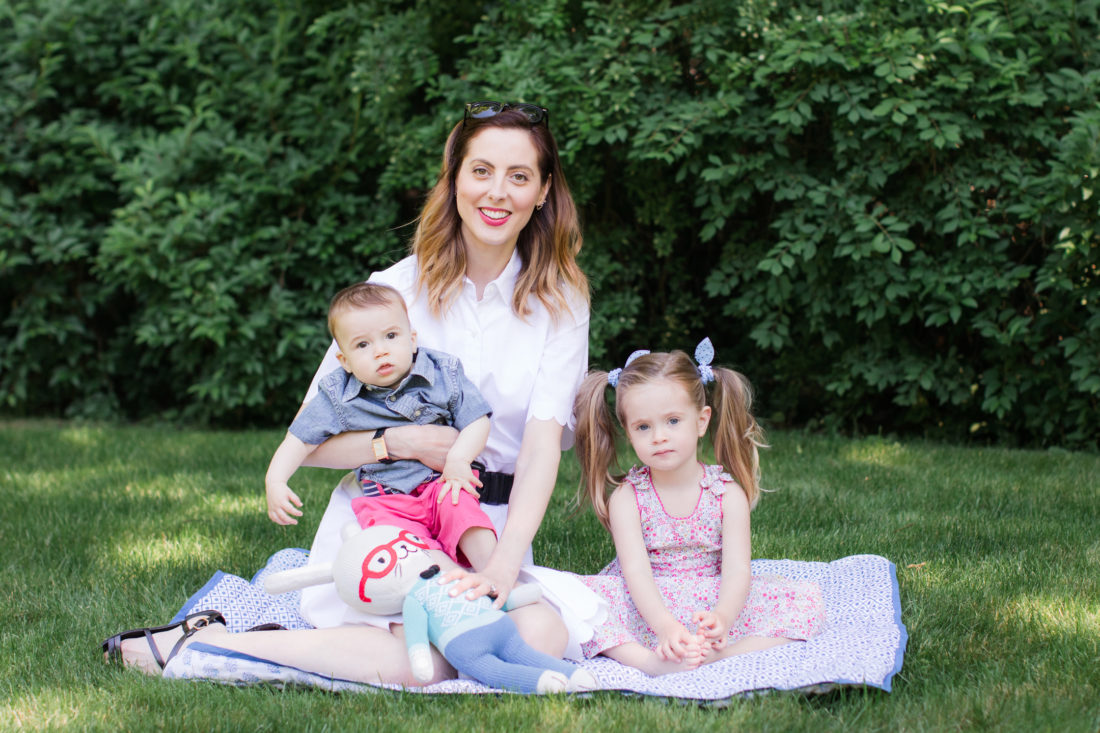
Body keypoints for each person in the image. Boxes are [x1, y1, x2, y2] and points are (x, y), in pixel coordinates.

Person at [104, 100, 595, 686]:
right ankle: (211, 647)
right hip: (387, 525)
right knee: (432, 661)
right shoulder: (392, 292)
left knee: (544, 635)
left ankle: (243, 645)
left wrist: (508, 564)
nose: (497, 192)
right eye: (481, 170)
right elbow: (310, 439)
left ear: (542, 192)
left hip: (485, 528)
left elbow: (542, 448)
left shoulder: (561, 302)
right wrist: (399, 442)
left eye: (519, 177)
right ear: (455, 178)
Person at [571, 339, 825, 676]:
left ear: (702, 420)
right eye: (643, 427)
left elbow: (737, 571)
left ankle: (722, 653)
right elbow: (636, 573)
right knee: (576, 605)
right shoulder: (628, 498)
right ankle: (649, 661)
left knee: (805, 602)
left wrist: (723, 617)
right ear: (629, 433)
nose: (659, 436)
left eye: (673, 421)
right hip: (646, 602)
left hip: (711, 597)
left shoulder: (726, 494)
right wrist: (664, 626)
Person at [265, 281, 497, 570]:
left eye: (390, 336)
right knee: (400, 546)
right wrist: (275, 480)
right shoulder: (337, 394)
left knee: (463, 512)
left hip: (443, 483)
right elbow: (299, 439)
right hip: (387, 499)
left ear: (412, 340)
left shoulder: (442, 372)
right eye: (363, 344)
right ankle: (448, 582)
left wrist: (459, 459)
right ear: (344, 361)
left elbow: (477, 418)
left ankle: (496, 576)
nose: (380, 351)